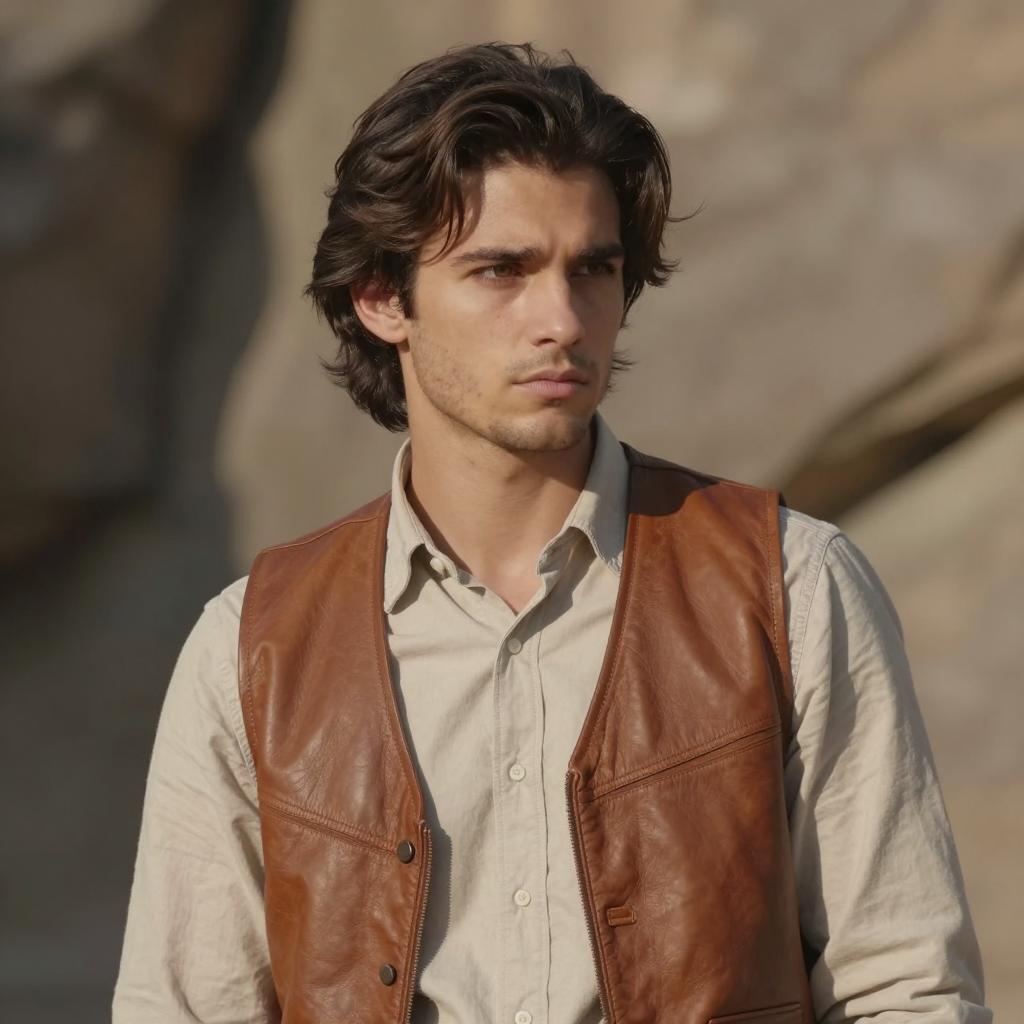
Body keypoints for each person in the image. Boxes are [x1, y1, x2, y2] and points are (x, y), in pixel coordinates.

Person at [113, 42, 990, 1024]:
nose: (562, 319)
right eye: (501, 270)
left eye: (594, 270)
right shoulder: (255, 648)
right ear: (381, 298)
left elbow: (907, 989)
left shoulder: (789, 586)